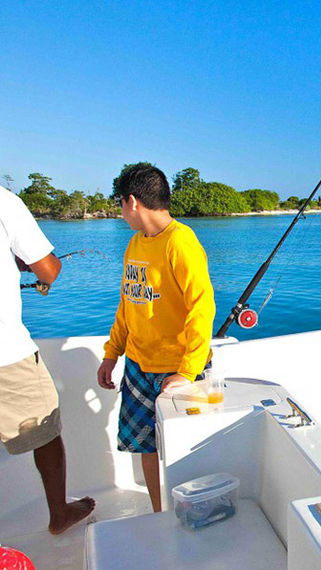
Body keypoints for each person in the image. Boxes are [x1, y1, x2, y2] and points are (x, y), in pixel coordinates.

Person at [96, 165, 215, 512]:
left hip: (177, 371)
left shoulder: (181, 242)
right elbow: (127, 303)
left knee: (184, 449)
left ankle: (192, 513)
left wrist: (188, 371)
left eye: (120, 203)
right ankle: (158, 512)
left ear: (132, 201)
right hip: (137, 366)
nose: (121, 212)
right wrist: (112, 353)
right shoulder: (135, 243)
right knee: (146, 447)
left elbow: (201, 308)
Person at [0, 186, 96, 534]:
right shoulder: (4, 201)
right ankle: (60, 514)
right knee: (45, 426)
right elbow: (49, 270)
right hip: (5, 354)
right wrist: (24, 264)